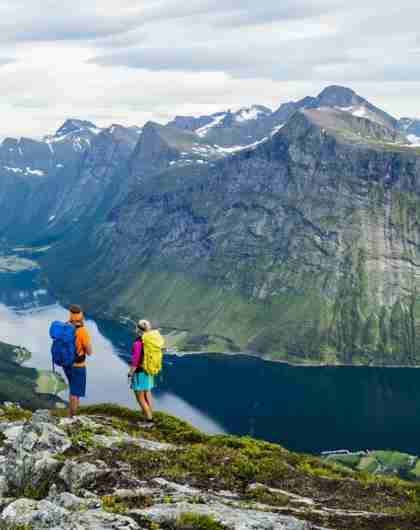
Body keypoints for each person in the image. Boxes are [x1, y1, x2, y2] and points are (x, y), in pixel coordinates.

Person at [63, 304, 93, 418]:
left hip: (67, 364)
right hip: (78, 365)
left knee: (73, 388)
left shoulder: (66, 326)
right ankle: (72, 417)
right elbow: (89, 352)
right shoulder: (82, 331)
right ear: (81, 315)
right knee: (75, 393)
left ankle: (72, 414)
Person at [128, 319, 155, 422]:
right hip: (149, 371)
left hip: (139, 373)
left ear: (138, 329)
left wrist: (130, 374)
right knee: (147, 394)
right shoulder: (150, 341)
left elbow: (135, 362)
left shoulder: (138, 343)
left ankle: (149, 420)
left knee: (140, 398)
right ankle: (149, 415)